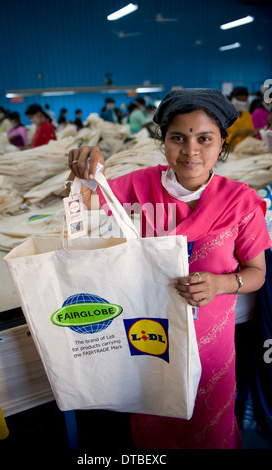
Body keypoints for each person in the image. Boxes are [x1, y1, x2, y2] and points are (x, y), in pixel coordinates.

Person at [66, 88, 272, 449]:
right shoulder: (136, 186)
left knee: (210, 424)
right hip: (149, 338)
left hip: (212, 344)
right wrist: (83, 174)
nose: (191, 151)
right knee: (155, 423)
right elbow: (83, 209)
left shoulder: (240, 202)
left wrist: (222, 283)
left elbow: (257, 273)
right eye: (178, 137)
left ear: (222, 143)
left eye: (204, 139)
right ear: (163, 142)